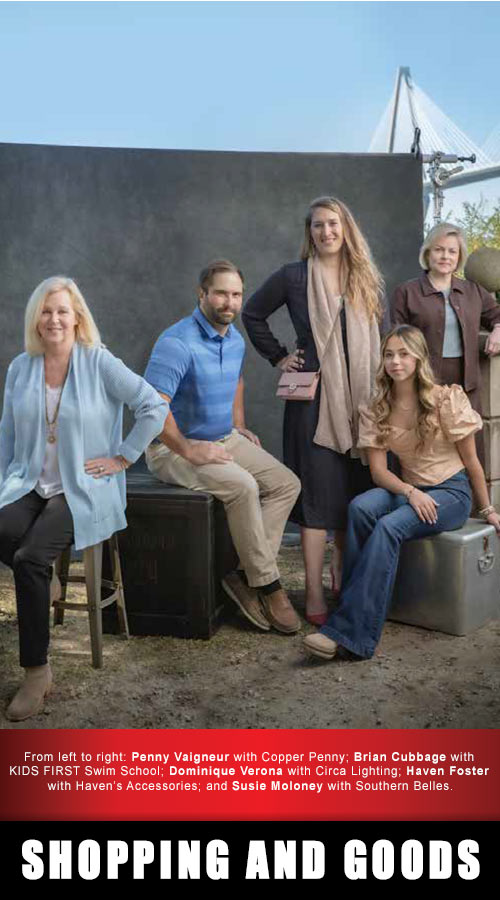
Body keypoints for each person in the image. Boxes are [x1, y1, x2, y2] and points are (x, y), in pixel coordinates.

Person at [0, 276, 168, 721]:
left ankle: (37, 671)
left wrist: (124, 457)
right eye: (46, 310)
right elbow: (7, 435)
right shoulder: (21, 367)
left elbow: (154, 407)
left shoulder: (99, 363)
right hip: (29, 483)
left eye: (63, 311)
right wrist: (3, 486)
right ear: (36, 318)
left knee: (30, 557)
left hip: (85, 487)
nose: (54, 319)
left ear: (77, 318)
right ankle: (44, 586)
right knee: (11, 539)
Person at [303, 324, 500, 663]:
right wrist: (411, 493)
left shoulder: (445, 399)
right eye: (389, 355)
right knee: (361, 508)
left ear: (418, 358)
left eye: (404, 354)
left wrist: (487, 510)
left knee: (389, 527)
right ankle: (361, 605)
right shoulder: (378, 406)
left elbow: (472, 462)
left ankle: (352, 636)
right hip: (411, 489)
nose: (396, 362)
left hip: (451, 493)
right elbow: (379, 473)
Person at [242, 196, 389, 626]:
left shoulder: (364, 278)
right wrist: (279, 356)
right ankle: (312, 593)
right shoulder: (294, 276)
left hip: (362, 401)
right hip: (314, 406)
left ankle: (339, 576)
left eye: (333, 224)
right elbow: (252, 314)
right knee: (316, 501)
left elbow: (377, 341)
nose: (326, 232)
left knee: (353, 495)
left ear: (347, 229)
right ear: (309, 233)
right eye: (318, 225)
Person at [144, 259, 301, 635]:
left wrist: (240, 425)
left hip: (221, 436)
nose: (229, 302)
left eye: (236, 294)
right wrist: (187, 448)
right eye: (220, 293)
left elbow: (236, 382)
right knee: (243, 487)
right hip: (170, 449)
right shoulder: (176, 342)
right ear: (202, 294)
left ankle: (244, 577)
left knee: (286, 484)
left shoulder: (234, 340)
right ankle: (267, 585)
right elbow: (151, 407)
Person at [391, 222, 500, 464]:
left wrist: (498, 330)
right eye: (439, 249)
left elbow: (496, 314)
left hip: (466, 385)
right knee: (429, 449)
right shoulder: (406, 292)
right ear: (428, 252)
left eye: (452, 251)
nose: (445, 256)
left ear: (459, 256)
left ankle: (475, 501)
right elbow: (395, 341)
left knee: (470, 454)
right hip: (424, 382)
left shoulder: (473, 291)